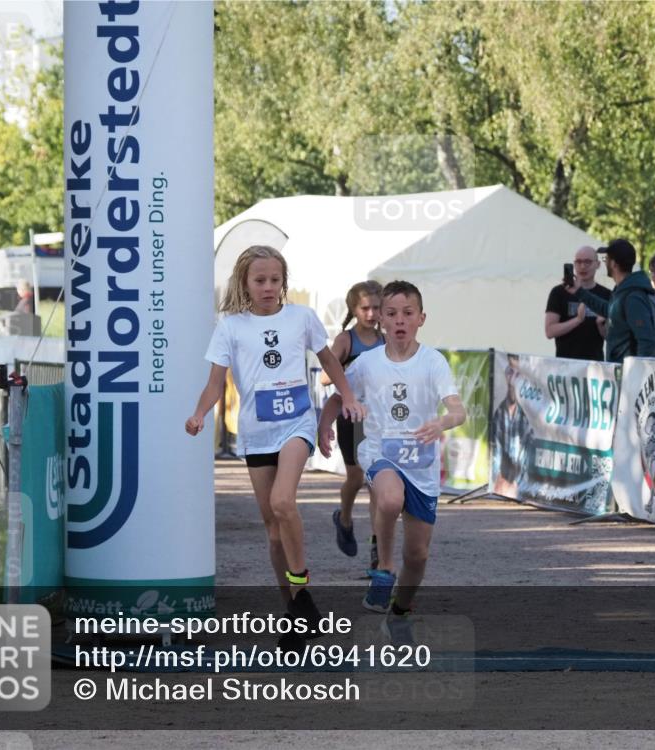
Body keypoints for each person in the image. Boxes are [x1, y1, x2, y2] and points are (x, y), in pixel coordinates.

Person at [185, 245, 366, 628]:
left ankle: (301, 587)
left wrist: (348, 396)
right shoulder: (230, 327)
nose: (268, 287)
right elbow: (215, 383)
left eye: (275, 280)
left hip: (296, 424)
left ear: (284, 282)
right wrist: (199, 413)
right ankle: (296, 610)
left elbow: (329, 360)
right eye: (260, 280)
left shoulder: (302, 317)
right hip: (256, 433)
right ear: (245, 283)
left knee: (283, 501)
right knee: (272, 531)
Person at [318, 280, 465, 645]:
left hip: (422, 464)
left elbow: (458, 410)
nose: (400, 320)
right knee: (388, 498)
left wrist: (442, 422)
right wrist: (324, 427)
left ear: (421, 318)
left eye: (407, 313)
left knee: (418, 556)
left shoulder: (433, 361)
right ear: (381, 320)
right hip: (380, 452)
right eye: (392, 313)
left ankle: (399, 614)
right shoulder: (367, 363)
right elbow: (338, 397)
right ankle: (384, 568)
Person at [320, 281, 384, 564]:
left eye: (376, 308)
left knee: (376, 482)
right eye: (365, 308)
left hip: (378, 419)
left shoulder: (386, 340)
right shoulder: (346, 340)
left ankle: (377, 547)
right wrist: (351, 375)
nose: (371, 314)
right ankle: (344, 517)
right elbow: (325, 378)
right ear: (353, 309)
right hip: (351, 418)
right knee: (356, 478)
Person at [567, 238, 655, 363]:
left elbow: (647, 341)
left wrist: (635, 370)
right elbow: (608, 310)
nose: (605, 263)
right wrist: (579, 291)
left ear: (614, 264)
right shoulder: (623, 291)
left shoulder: (633, 297)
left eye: (606, 259)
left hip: (626, 371)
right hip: (618, 369)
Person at [544, 245, 611, 360]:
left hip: (595, 364)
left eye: (588, 262)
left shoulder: (607, 294)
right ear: (574, 264)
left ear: (598, 264)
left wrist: (601, 326)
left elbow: (612, 339)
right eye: (578, 262)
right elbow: (550, 331)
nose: (582, 266)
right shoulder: (559, 292)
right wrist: (578, 320)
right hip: (565, 363)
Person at [490, 354, 532, 497]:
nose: (512, 379)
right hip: (500, 488)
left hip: (519, 489)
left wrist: (517, 483)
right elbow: (495, 453)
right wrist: (497, 480)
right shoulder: (498, 414)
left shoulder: (527, 417)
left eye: (517, 374)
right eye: (510, 372)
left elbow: (526, 459)